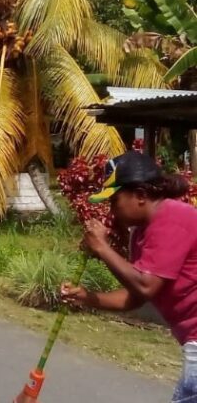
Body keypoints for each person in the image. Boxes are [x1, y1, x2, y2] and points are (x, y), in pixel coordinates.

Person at [60, 151, 197, 403]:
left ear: (141, 196)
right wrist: (86, 297)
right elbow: (134, 298)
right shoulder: (142, 233)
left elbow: (145, 287)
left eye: (115, 201)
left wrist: (102, 247)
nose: (111, 211)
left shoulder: (173, 218)